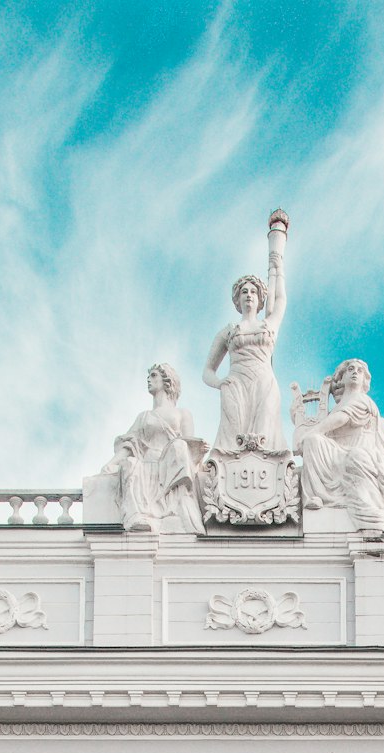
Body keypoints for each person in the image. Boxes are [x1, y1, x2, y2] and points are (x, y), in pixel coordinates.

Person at [203, 210, 289, 454]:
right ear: (237, 300)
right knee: (232, 448)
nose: (249, 294)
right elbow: (207, 371)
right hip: (236, 384)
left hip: (264, 382)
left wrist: (278, 262)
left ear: (261, 298)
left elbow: (281, 299)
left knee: (264, 445)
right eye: (244, 291)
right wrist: (221, 383)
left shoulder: (268, 325)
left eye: (253, 291)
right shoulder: (228, 331)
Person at [292, 358, 384, 529]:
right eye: (350, 369)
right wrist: (299, 421)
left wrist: (312, 431)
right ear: (341, 378)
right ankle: (315, 497)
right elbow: (323, 430)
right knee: (312, 441)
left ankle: (368, 511)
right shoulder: (335, 409)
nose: (355, 372)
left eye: (360, 371)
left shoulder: (363, 401)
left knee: (327, 444)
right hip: (339, 455)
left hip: (359, 453)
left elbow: (341, 419)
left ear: (365, 379)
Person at [103, 364, 204, 534]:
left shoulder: (182, 414)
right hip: (147, 465)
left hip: (170, 465)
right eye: (149, 376)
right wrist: (111, 463)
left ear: (167, 381)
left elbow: (189, 445)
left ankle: (173, 510)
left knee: (179, 446)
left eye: (154, 375)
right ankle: (138, 516)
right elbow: (130, 444)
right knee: (129, 464)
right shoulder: (144, 417)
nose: (149, 379)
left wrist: (199, 449)